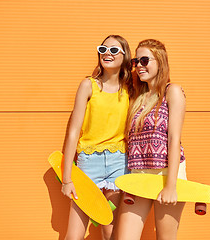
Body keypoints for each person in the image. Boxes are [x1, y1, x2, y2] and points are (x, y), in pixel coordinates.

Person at [61, 35, 132, 240]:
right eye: (103, 49)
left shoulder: (131, 89)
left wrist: (174, 90)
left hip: (119, 164)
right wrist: (67, 179)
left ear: (125, 56)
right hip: (88, 164)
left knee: (110, 230)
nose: (107, 53)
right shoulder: (88, 85)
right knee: (74, 235)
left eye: (113, 50)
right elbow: (74, 131)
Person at [116, 39, 187, 240]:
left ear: (160, 61)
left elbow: (174, 139)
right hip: (139, 174)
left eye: (145, 60)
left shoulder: (172, 91)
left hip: (166, 173)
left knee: (165, 238)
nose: (139, 65)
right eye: (136, 61)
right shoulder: (138, 96)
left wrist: (171, 185)